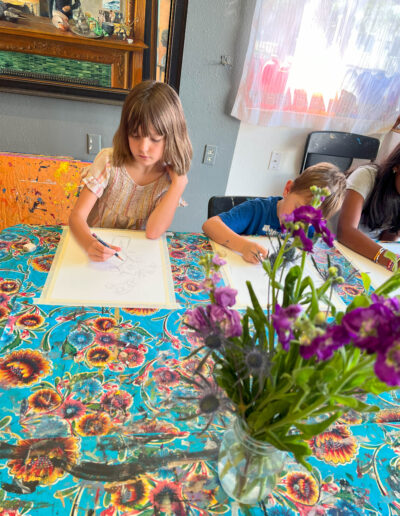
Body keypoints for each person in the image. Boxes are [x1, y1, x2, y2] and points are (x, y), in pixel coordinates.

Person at [69, 80, 192, 262]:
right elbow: (76, 217)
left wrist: (179, 185)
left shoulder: (168, 180)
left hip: (135, 258)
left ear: (172, 138)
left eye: (155, 139)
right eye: (135, 135)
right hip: (95, 250)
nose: (143, 147)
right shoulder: (108, 161)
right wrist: (88, 244)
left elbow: (153, 232)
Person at [202, 163, 346, 264]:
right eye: (297, 208)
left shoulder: (312, 231)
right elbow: (210, 225)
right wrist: (244, 246)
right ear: (288, 189)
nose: (297, 222)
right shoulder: (256, 210)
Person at [336, 142, 400, 270]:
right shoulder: (366, 176)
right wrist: (393, 261)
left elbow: (388, 237)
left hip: (366, 258)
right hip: (336, 247)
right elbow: (345, 231)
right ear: (396, 166)